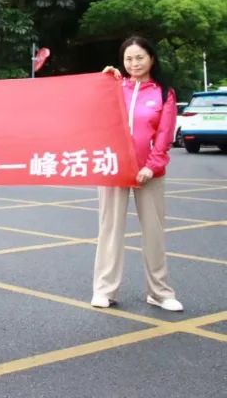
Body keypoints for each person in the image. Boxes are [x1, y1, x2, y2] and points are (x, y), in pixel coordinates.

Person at [93, 36, 183, 312]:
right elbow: (94, 116)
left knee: (154, 233)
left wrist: (151, 166)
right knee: (109, 230)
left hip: (149, 172)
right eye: (128, 59)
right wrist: (103, 81)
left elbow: (164, 137)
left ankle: (159, 292)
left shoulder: (163, 93)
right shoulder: (114, 88)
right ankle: (104, 290)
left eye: (140, 57)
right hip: (114, 168)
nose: (134, 63)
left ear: (151, 59)